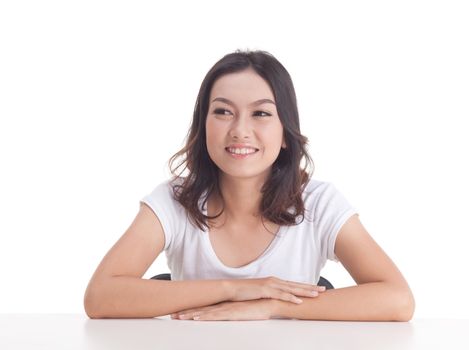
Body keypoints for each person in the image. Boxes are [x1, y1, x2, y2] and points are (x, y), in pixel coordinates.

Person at [83, 49, 415, 322]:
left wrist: (272, 304)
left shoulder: (319, 202)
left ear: (285, 133)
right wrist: (235, 288)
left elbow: (398, 299)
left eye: (261, 114)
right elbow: (100, 297)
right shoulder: (173, 199)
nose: (240, 130)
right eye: (223, 111)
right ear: (203, 126)